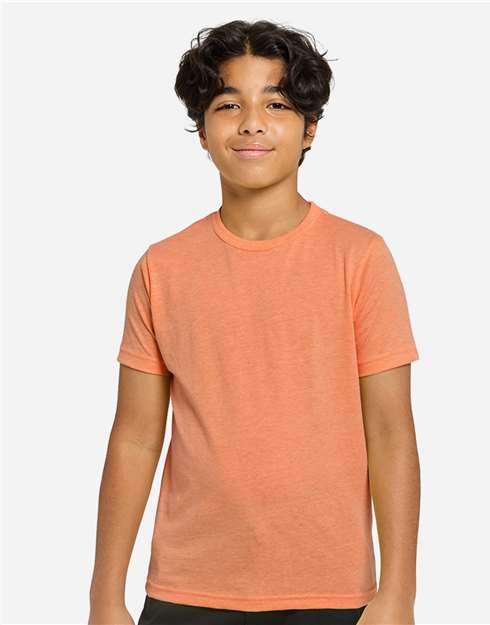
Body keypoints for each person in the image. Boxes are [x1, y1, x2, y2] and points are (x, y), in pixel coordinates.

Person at [88, 19, 420, 625]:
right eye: (227, 104)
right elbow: (134, 437)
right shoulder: (162, 268)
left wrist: (399, 592)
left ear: (310, 128)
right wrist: (104, 597)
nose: (251, 123)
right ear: (202, 129)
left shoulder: (360, 257)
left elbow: (391, 432)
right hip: (188, 589)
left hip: (331, 591)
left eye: (276, 104)